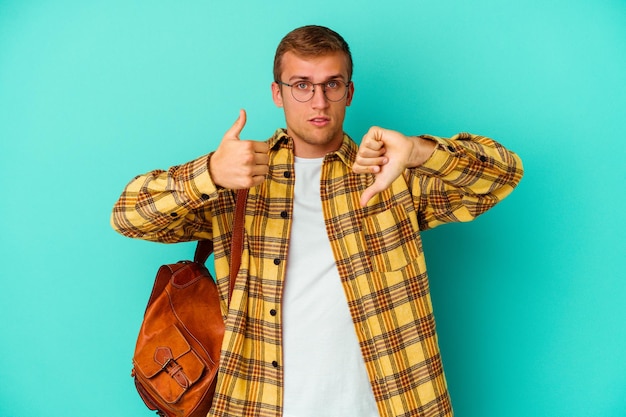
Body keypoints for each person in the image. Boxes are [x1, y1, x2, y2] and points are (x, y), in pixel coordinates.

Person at [111, 25, 523, 417]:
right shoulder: (238, 177)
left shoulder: (389, 174)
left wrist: (418, 151)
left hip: (389, 403)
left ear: (349, 92)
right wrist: (211, 174)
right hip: (259, 403)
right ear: (278, 93)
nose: (319, 101)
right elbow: (127, 216)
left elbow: (503, 175)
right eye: (302, 85)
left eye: (332, 84)